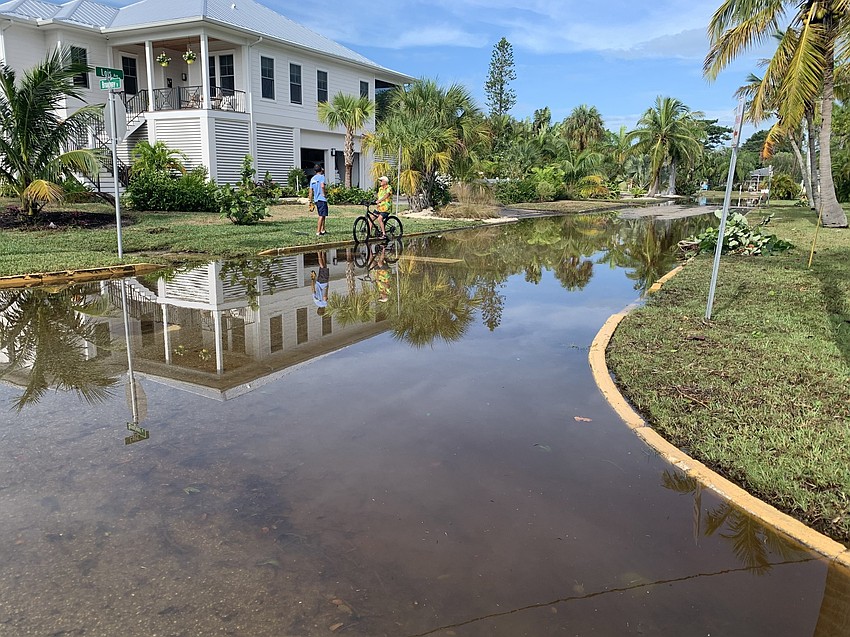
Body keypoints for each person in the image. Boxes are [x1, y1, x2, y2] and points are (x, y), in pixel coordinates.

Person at [309, 164, 328, 236]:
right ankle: (318, 231)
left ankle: (323, 230)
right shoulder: (322, 177)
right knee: (321, 215)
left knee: (323, 215)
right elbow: (322, 186)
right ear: (321, 170)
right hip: (322, 199)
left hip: (316, 199)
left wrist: (310, 201)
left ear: (314, 171)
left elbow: (310, 191)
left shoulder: (312, 179)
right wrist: (324, 194)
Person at [310, 250, 329, 314]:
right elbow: (313, 290)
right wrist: (313, 279)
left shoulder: (324, 304)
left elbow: (324, 297)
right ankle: (323, 252)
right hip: (318, 282)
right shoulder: (315, 302)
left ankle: (318, 253)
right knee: (324, 268)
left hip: (324, 283)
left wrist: (326, 289)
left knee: (323, 267)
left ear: (323, 310)